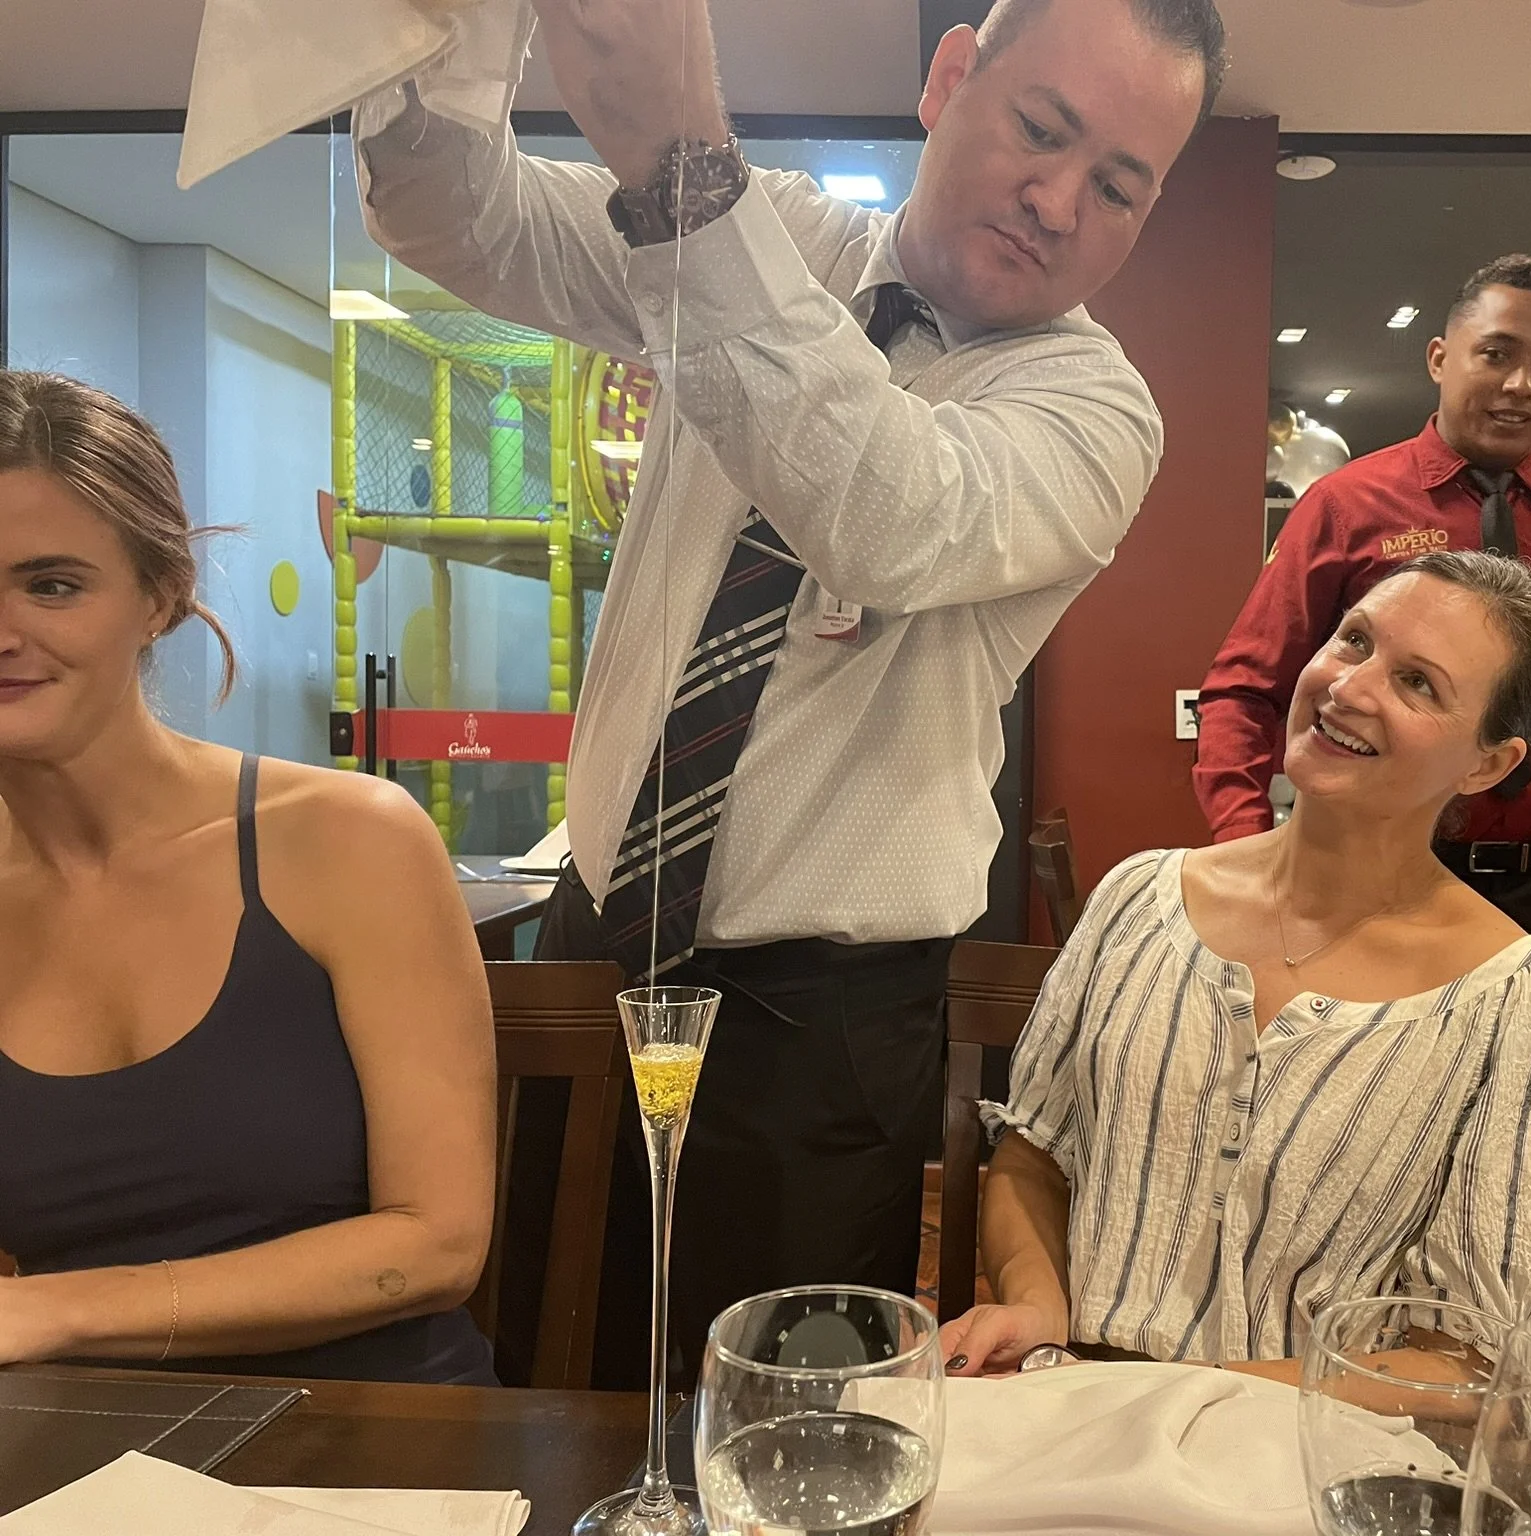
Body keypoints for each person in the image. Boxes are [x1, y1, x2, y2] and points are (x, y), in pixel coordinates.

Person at [350, 0, 1226, 1371]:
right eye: (1042, 130)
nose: (1059, 201)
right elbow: (464, 220)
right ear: (951, 80)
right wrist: (452, 27)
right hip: (602, 940)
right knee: (547, 1352)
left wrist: (681, 170)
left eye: (1120, 185)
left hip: (822, 1028)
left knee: (779, 1432)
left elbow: (886, 509)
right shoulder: (783, 241)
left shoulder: (1096, 410)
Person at [942, 552, 1531, 1374]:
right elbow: (1035, 1155)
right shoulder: (1138, 900)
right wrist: (1034, 1305)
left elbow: (1479, 1361)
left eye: (1419, 684)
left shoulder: (1523, 1004)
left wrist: (1177, 1409)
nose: (1351, 688)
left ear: (1488, 763)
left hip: (1323, 1472)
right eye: (1354, 641)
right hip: (1076, 1414)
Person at [0, 371, 497, 1383]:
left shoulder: (348, 840)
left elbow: (439, 1242)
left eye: (51, 584)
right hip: (82, 1464)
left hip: (385, 1448)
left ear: (160, 597)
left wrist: (57, 1311)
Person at [1197, 255, 1531, 932]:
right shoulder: (1346, 504)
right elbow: (1244, 692)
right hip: (1369, 872)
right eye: (1496, 354)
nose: (1520, 385)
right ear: (1438, 358)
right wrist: (1247, 848)